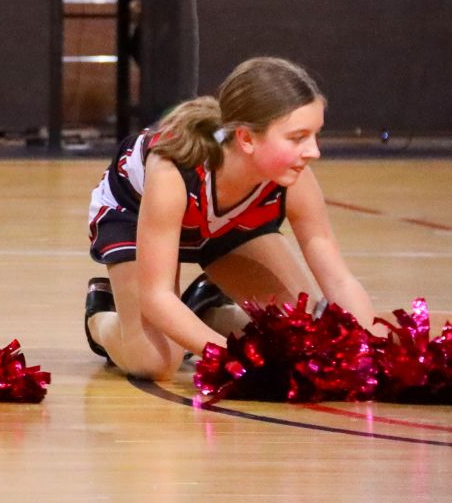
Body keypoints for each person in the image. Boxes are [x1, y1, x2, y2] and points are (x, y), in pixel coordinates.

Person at [83, 56, 377, 380]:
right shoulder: (172, 171)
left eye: (315, 135)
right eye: (298, 138)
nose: (314, 151)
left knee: (302, 333)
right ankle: (102, 317)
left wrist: (369, 349)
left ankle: (209, 311)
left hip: (225, 226)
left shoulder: (294, 176)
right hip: (134, 212)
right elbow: (157, 296)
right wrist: (232, 359)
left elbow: (338, 279)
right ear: (246, 138)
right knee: (156, 361)